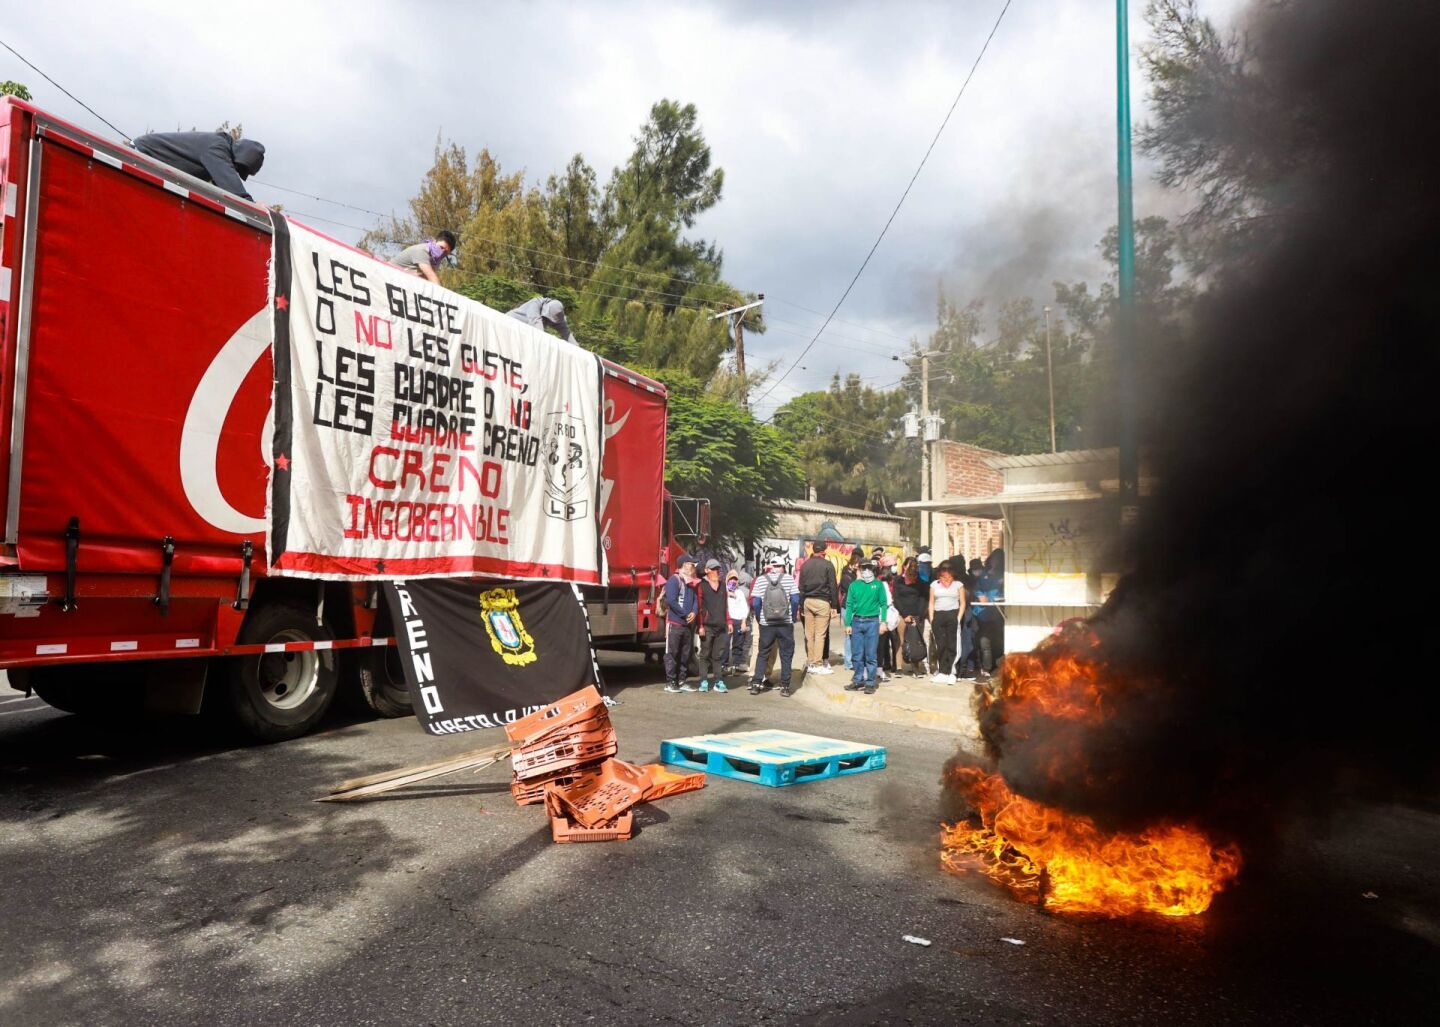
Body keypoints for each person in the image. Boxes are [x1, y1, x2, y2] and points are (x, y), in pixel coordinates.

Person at [132, 130, 265, 201]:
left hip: (150, 164)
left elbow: (223, 193)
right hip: (141, 157)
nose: (235, 171)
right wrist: (255, 207)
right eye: (238, 168)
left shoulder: (217, 149)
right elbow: (234, 192)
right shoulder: (217, 147)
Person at [749, 558, 800, 696]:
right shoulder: (789, 579)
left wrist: (760, 618)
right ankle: (785, 686)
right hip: (785, 623)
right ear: (783, 566)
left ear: (771, 567)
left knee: (763, 653)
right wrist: (792, 617)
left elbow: (756, 603)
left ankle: (756, 684)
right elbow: (795, 599)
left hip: (767, 624)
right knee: (786, 654)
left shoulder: (760, 580)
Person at [843, 559, 889, 695]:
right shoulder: (854, 586)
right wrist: (847, 624)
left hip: (872, 622)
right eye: (863, 568)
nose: (866, 570)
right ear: (859, 570)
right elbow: (849, 605)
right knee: (857, 655)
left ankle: (870, 682)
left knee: (871, 655)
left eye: (869, 567)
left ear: (873, 569)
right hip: (857, 622)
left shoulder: (878, 585)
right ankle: (858, 680)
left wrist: (883, 622)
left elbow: (883, 604)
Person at [797, 541, 839, 675]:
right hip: (822, 602)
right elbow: (833, 586)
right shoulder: (828, 565)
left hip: (807, 601)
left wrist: (801, 606)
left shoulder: (805, 565)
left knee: (809, 635)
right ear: (823, 552)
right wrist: (834, 606)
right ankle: (818, 664)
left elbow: (801, 587)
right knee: (820, 635)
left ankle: (810, 662)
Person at [662, 554, 701, 693]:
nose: (694, 567)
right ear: (684, 565)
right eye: (692, 564)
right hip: (675, 624)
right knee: (672, 653)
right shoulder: (674, 580)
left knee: (685, 654)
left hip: (687, 626)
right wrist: (685, 614)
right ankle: (671, 682)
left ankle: (682, 681)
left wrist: (694, 612)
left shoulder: (691, 582)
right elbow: (671, 601)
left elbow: (695, 599)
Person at [927, 559, 965, 684]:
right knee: (940, 644)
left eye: (949, 569)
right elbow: (931, 602)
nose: (946, 571)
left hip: (952, 614)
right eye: (944, 569)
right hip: (938, 615)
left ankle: (952, 671)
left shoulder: (958, 584)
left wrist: (958, 618)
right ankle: (943, 671)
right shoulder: (934, 584)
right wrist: (932, 618)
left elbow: (962, 603)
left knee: (953, 644)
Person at [695, 559, 731, 693]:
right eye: (714, 569)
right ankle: (703, 681)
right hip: (707, 626)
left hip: (721, 625)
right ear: (707, 571)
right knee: (705, 654)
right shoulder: (701, 585)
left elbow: (726, 605)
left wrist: (729, 621)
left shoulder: (722, 586)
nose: (717, 571)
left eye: (718, 569)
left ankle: (718, 681)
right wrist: (700, 625)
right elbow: (699, 607)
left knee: (718, 655)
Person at [892, 556, 928, 677]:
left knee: (915, 641)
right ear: (904, 566)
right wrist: (904, 614)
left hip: (916, 615)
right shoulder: (898, 580)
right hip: (902, 614)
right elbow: (896, 598)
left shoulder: (920, 582)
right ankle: (898, 667)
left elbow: (923, 599)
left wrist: (919, 614)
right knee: (901, 640)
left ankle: (915, 668)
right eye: (909, 565)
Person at [392, 231, 457, 285]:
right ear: (434, 242)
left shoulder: (436, 260)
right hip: (390, 277)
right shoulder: (422, 250)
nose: (442, 252)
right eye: (441, 247)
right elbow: (431, 277)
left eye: (445, 252)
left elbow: (425, 280)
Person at [507, 296, 577, 343]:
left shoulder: (558, 316)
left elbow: (566, 333)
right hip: (509, 324)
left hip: (521, 334)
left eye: (550, 320)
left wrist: (578, 351)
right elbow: (536, 323)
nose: (548, 321)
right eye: (547, 319)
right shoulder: (536, 303)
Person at [838, 550, 862, 672]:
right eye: (856, 563)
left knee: (856, 635)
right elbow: (853, 589)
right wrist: (858, 577)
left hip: (857, 607)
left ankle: (855, 660)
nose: (858, 566)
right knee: (849, 634)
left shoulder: (856, 573)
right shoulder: (846, 574)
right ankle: (848, 663)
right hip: (847, 607)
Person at [724, 569, 751, 674]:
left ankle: (736, 665)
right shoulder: (723, 592)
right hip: (727, 621)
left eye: (735, 579)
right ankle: (724, 665)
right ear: (727, 580)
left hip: (739, 621)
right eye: (731, 579)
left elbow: (745, 608)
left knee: (738, 644)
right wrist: (728, 594)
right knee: (725, 643)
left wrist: (744, 622)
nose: (733, 581)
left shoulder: (739, 592)